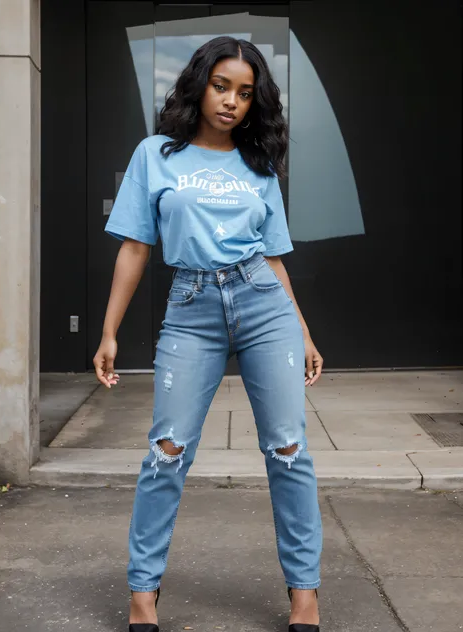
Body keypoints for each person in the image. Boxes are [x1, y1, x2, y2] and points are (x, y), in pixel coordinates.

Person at [93, 36, 324, 632]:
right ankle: (143, 593)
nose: (231, 102)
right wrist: (109, 332)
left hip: (262, 303)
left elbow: (273, 258)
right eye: (222, 86)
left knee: (289, 451)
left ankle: (305, 595)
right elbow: (136, 246)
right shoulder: (156, 154)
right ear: (199, 86)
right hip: (190, 306)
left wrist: (303, 332)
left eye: (245, 93)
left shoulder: (258, 165)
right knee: (165, 453)